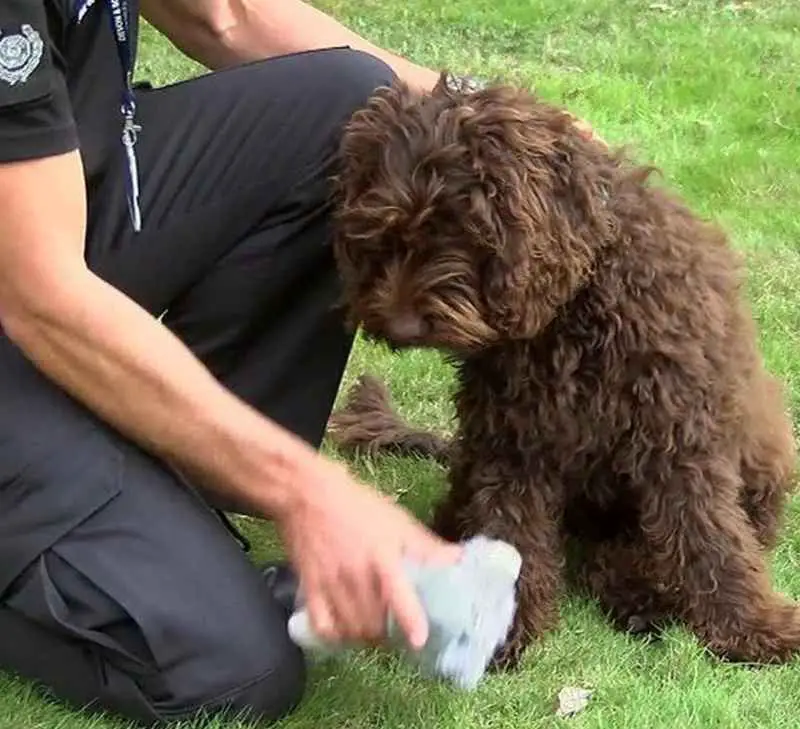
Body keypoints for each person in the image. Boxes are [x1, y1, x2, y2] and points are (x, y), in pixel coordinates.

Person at [0, 0, 464, 724]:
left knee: (361, 112)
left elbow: (223, 16)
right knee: (230, 668)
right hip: (28, 279)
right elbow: (41, 298)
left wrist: (470, 111)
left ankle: (151, 493)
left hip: (54, 191)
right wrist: (308, 491)